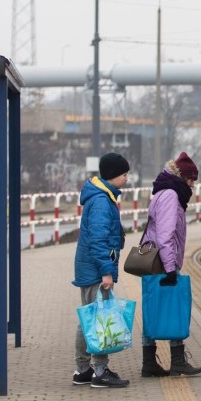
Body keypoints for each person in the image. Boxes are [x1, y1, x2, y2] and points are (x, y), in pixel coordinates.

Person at [140, 152, 201, 377]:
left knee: (153, 307)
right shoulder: (170, 195)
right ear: (183, 177)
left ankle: (149, 362)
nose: (193, 185)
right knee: (173, 307)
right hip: (162, 261)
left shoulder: (165, 190)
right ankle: (176, 361)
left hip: (156, 259)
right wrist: (170, 269)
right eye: (192, 179)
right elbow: (165, 236)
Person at [72, 152, 131, 388]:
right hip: (96, 270)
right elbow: (98, 240)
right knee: (100, 319)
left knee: (88, 318)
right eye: (124, 174)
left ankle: (83, 370)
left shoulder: (100, 197)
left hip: (89, 268)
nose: (127, 178)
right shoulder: (100, 201)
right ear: (114, 175)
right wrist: (106, 271)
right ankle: (99, 371)